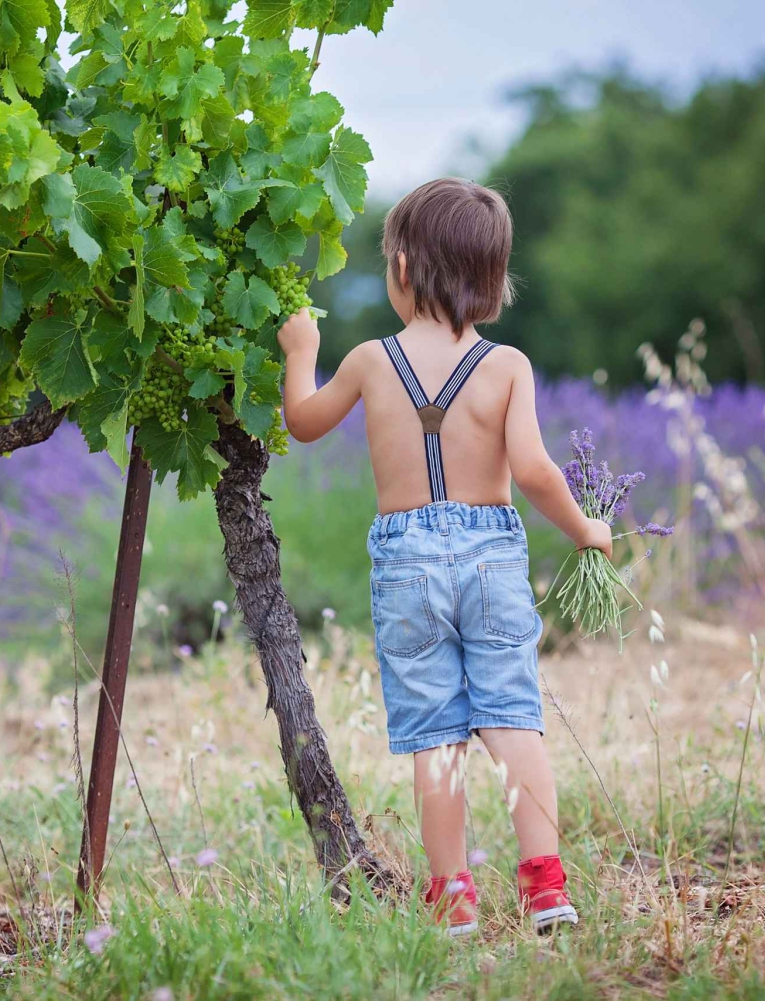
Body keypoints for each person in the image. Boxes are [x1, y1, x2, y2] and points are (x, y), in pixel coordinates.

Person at [275, 177, 613, 936]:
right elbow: (534, 469)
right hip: (492, 556)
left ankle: (453, 895)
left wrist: (302, 351)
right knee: (513, 717)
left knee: (435, 731)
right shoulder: (507, 366)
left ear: (400, 267)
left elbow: (302, 421)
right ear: (493, 279)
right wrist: (584, 529)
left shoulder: (370, 360)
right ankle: (546, 886)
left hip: (407, 565)